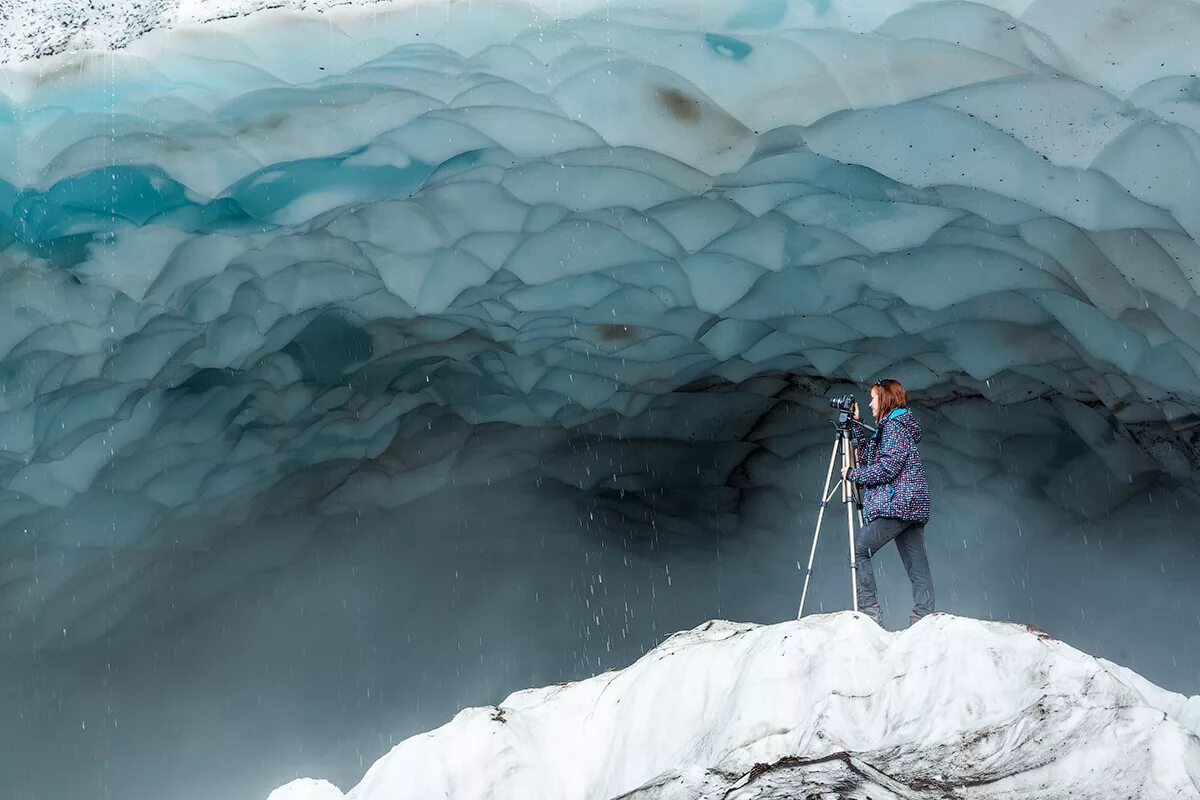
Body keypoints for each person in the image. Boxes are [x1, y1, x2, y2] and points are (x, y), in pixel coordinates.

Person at [840, 379, 934, 627]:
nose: (870, 403)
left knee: (859, 549)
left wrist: (851, 474)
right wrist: (857, 429)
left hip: (898, 505)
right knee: (917, 565)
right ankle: (923, 617)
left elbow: (885, 469)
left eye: (873, 398)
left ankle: (870, 612)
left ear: (885, 398)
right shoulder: (894, 427)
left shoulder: (893, 428)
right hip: (910, 506)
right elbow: (873, 459)